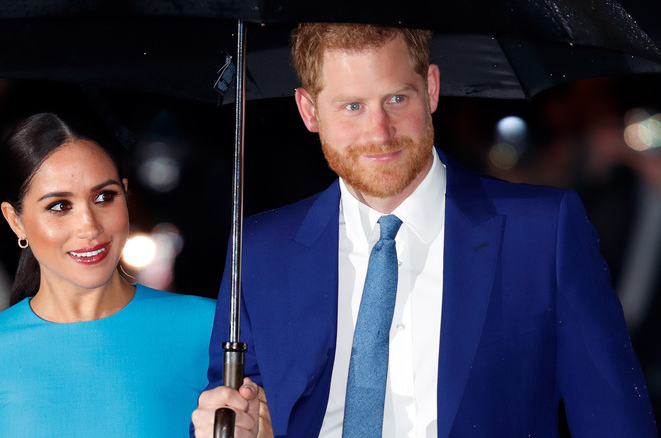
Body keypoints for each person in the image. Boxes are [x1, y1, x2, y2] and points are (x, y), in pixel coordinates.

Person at [191, 23, 657, 437]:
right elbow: (232, 410)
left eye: (396, 98)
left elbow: (613, 417)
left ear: (430, 88)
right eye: (352, 106)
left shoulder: (541, 232)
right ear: (309, 111)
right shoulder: (260, 249)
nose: (380, 131)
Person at [0, 112, 216, 437]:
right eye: (60, 206)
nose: (89, 227)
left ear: (126, 194)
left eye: (104, 197)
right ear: (15, 221)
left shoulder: (210, 327)